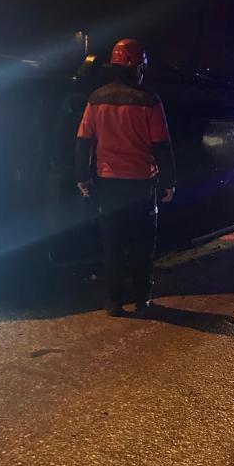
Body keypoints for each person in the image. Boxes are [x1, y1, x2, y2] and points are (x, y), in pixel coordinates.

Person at [75, 38, 176, 315]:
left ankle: (113, 302)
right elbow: (161, 145)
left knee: (112, 244)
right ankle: (142, 300)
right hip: (142, 185)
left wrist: (82, 176)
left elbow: (83, 141)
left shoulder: (96, 99)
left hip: (108, 183)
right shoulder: (150, 101)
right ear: (140, 66)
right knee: (142, 246)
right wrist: (169, 182)